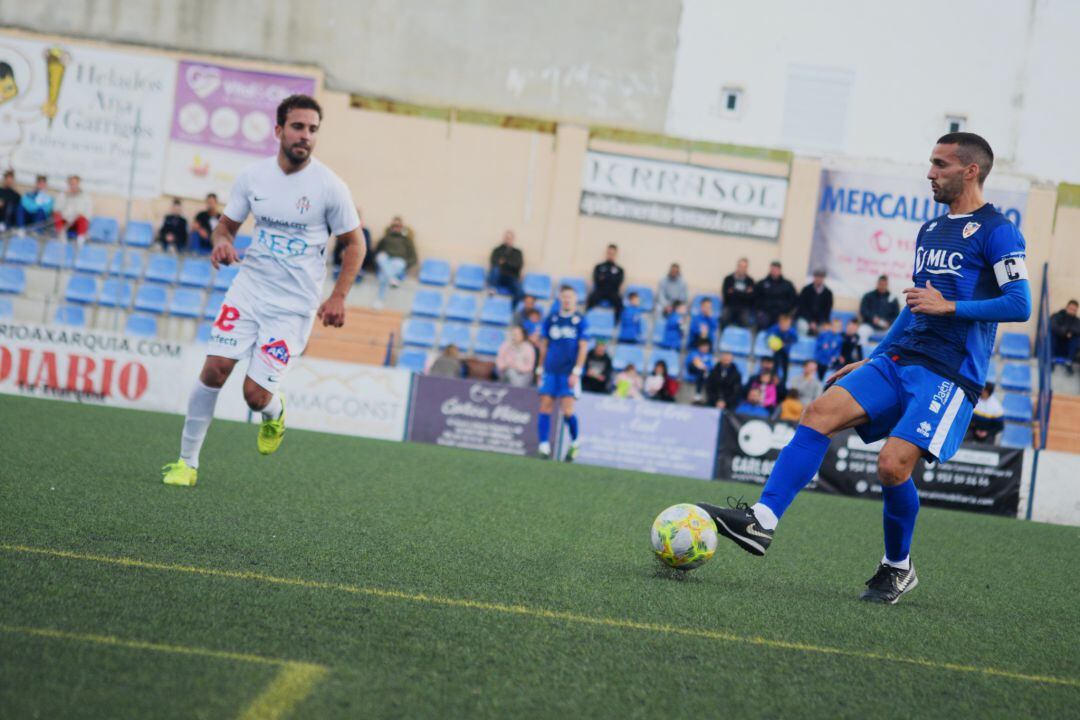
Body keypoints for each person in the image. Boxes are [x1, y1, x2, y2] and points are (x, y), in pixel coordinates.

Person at [697, 132, 1032, 604]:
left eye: (940, 164)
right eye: (931, 163)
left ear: (970, 170)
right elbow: (914, 304)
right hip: (899, 359)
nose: (930, 173)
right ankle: (762, 522)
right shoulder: (931, 231)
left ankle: (897, 567)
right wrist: (875, 356)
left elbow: (1019, 305)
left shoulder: (1000, 230)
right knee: (817, 413)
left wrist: (950, 308)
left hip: (949, 373)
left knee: (892, 467)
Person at [161, 94, 365, 488]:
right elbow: (226, 228)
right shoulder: (254, 178)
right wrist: (221, 242)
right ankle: (186, 464)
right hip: (249, 291)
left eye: (312, 129)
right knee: (214, 370)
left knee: (253, 396)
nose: (305, 135)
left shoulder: (330, 187)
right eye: (298, 126)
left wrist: (338, 295)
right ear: (278, 130)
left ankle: (275, 412)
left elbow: (355, 244)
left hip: (292, 307)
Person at [536, 285, 589, 461]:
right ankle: (543, 446)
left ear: (575, 300)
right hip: (551, 370)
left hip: (568, 372)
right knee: (545, 406)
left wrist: (577, 371)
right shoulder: (551, 319)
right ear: (560, 299)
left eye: (570, 297)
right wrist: (540, 367)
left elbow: (583, 347)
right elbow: (544, 345)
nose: (567, 300)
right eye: (564, 297)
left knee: (567, 411)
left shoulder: (580, 320)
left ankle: (575, 442)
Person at [373, 216, 418, 305]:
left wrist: (406, 265)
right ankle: (392, 278)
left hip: (398, 263)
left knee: (387, 273)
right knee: (381, 257)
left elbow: (414, 257)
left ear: (402, 227)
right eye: (394, 226)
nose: (396, 228)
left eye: (398, 226)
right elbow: (376, 253)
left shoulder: (407, 241)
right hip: (386, 261)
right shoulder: (385, 239)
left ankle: (379, 300)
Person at [586, 244, 624, 321]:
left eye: (613, 254)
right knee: (590, 299)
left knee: (620, 304)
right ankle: (587, 320)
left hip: (613, 291)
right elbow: (596, 279)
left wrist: (604, 277)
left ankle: (616, 324)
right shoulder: (599, 266)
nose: (611, 255)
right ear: (606, 253)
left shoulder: (620, 270)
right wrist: (611, 278)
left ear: (616, 254)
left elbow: (618, 282)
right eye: (609, 253)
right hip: (600, 290)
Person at [755, 260, 797, 329]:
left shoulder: (788, 285)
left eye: (776, 269)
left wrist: (786, 313)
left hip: (782, 314)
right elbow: (757, 299)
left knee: (784, 325)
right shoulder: (762, 283)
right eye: (772, 269)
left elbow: (793, 300)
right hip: (766, 313)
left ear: (780, 270)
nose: (774, 271)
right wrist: (760, 312)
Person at [860, 275, 901, 341]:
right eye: (880, 284)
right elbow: (863, 310)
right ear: (877, 283)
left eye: (884, 284)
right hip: (870, 326)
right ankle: (862, 351)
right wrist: (873, 318)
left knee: (894, 334)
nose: (882, 286)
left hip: (886, 328)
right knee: (862, 331)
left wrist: (888, 322)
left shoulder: (893, 299)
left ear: (887, 285)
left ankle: (888, 352)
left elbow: (897, 316)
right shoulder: (868, 296)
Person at [488, 229, 524, 302]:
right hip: (499, 277)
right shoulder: (497, 250)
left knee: (519, 291)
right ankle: (492, 288)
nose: (508, 240)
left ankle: (512, 310)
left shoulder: (517, 252)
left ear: (513, 239)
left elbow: (517, 265)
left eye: (510, 238)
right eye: (507, 238)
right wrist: (509, 264)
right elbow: (494, 263)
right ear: (504, 238)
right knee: (495, 270)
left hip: (511, 277)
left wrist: (505, 262)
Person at [795, 269, 833, 336]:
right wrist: (810, 321)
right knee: (802, 326)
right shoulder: (806, 290)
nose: (819, 279)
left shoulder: (828, 293)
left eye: (821, 277)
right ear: (814, 277)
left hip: (820, 321)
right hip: (806, 319)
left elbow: (827, 311)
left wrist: (818, 322)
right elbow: (802, 307)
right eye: (817, 277)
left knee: (825, 330)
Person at [54, 174, 91, 242]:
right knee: (57, 215)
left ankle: (80, 239)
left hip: (77, 222)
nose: (73, 185)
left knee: (82, 219)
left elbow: (88, 213)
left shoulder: (85, 197)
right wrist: (66, 196)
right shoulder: (62, 195)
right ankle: (61, 236)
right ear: (69, 184)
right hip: (65, 220)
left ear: (79, 184)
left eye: (75, 183)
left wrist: (79, 215)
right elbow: (57, 208)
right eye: (71, 183)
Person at [721, 257, 755, 329]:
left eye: (744, 267)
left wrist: (734, 291)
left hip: (744, 307)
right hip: (730, 306)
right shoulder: (728, 279)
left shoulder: (750, 281)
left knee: (746, 321)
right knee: (723, 318)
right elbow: (726, 295)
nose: (742, 269)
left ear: (747, 268)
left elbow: (750, 298)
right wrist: (744, 293)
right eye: (740, 266)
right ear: (737, 266)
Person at [764, 313, 797, 383]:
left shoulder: (791, 331)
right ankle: (773, 380)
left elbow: (795, 340)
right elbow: (768, 336)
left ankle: (783, 383)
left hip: (785, 352)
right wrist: (771, 343)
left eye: (786, 324)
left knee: (785, 368)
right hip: (776, 351)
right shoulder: (774, 328)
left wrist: (785, 344)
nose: (784, 325)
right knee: (774, 367)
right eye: (782, 323)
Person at [1050, 300, 1080, 373]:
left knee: (1076, 338)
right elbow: (1053, 326)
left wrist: (1071, 332)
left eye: (1074, 310)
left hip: (1067, 349)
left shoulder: (1077, 321)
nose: (1072, 311)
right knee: (1052, 335)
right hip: (1055, 346)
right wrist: (1065, 333)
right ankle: (1051, 360)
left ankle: (1068, 362)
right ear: (1066, 308)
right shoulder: (1057, 316)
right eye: (1071, 308)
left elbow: (1077, 329)